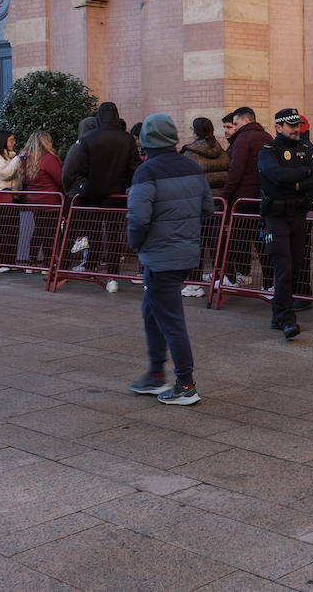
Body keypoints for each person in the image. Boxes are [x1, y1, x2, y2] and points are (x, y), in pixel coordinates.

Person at [127, 113, 210, 406]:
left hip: (160, 256)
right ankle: (154, 375)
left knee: (171, 321)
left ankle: (185, 384)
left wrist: (136, 244)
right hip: (185, 252)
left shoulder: (146, 172)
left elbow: (138, 218)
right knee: (152, 313)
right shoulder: (191, 166)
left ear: (147, 140)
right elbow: (207, 208)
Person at [258, 109, 313, 340]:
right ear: (278, 127)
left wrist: (297, 180)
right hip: (276, 218)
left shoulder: (306, 149)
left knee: (294, 268)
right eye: (290, 126)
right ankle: (287, 320)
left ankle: (278, 316)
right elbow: (275, 176)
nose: (295, 129)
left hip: (298, 215)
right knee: (284, 269)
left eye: (297, 125)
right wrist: (301, 176)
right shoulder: (268, 151)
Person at [62, 102, 139, 282]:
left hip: (92, 194)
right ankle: (112, 274)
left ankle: (83, 266)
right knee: (113, 235)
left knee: (91, 230)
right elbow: (133, 168)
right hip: (117, 195)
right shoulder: (127, 139)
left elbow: (79, 168)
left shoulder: (89, 138)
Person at [220, 106, 270, 287]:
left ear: (245, 121)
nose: (235, 126)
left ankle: (235, 277)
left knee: (236, 239)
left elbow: (236, 170)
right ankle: (268, 283)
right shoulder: (267, 137)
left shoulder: (242, 138)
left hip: (243, 199)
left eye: (236, 123)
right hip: (263, 197)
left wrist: (226, 195)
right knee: (262, 242)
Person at [20, 131, 64, 266]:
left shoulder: (26, 158)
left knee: (38, 230)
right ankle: (48, 263)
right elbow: (60, 179)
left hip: (34, 201)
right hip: (51, 201)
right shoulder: (49, 158)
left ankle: (32, 262)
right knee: (50, 233)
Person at [0, 130, 23, 273]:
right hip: (2, 195)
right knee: (3, 229)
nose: (13, 142)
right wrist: (18, 159)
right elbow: (5, 173)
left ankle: (9, 260)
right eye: (11, 140)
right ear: (3, 141)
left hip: (12, 195)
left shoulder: (9, 156)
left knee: (13, 229)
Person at [180, 117, 229, 198]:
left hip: (200, 202)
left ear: (196, 132)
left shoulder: (189, 155)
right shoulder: (223, 153)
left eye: (192, 129)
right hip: (221, 202)